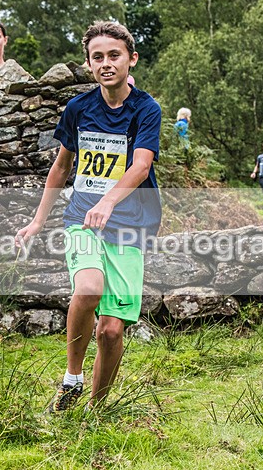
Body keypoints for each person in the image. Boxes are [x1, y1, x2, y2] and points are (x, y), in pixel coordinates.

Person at [15, 21, 162, 412]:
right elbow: (61, 169)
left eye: (114, 55)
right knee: (89, 287)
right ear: (88, 64)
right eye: (98, 57)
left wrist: (110, 201)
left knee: (112, 330)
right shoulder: (78, 109)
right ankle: (72, 378)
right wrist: (38, 220)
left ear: (131, 59)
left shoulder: (146, 109)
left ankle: (95, 413)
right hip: (82, 217)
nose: (106, 63)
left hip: (129, 226)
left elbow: (141, 166)